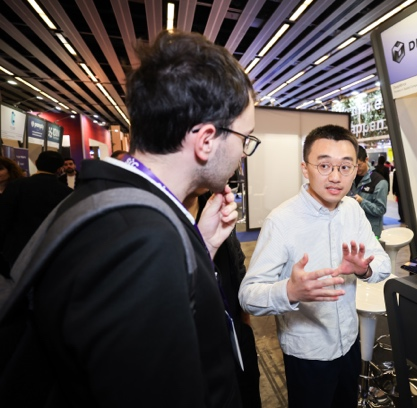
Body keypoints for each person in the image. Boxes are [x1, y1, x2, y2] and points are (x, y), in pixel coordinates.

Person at [29, 30, 257, 407]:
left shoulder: (110, 202)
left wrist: (201, 246)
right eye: (244, 138)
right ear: (205, 140)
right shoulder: (142, 244)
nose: (243, 152)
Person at [239, 124, 390, 408]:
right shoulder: (281, 221)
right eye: (324, 165)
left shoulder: (353, 210)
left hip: (349, 342)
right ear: (305, 169)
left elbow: (382, 262)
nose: (335, 177)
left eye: (345, 167)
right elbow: (248, 296)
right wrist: (290, 292)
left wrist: (364, 269)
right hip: (307, 352)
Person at [184, 188, 261, 408]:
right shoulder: (159, 219)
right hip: (199, 349)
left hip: (236, 333)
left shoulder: (213, 204)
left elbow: (236, 262)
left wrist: (244, 318)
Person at [0, 151, 72, 279]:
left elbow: (4, 217)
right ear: (60, 168)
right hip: (50, 248)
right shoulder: (67, 192)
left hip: (19, 248)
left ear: (36, 163)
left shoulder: (17, 186)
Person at [350, 146, 388, 238]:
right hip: (353, 230)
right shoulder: (350, 178)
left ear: (366, 160)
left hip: (371, 232)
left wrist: (362, 201)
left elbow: (380, 209)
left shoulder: (379, 182)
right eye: (353, 166)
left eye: (359, 165)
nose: (356, 169)